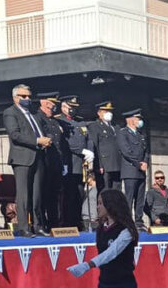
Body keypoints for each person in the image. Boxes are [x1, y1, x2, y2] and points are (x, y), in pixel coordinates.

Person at [2, 84, 50, 237]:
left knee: (37, 194)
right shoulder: (10, 112)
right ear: (15, 97)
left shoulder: (34, 113)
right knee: (23, 194)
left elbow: (44, 129)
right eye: (23, 96)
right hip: (22, 157)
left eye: (29, 96)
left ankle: (38, 225)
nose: (27, 99)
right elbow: (15, 135)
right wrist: (37, 141)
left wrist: (46, 139)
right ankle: (23, 227)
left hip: (39, 156)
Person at [56, 95, 91, 229]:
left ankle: (77, 220)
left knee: (80, 193)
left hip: (81, 163)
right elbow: (66, 142)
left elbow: (88, 139)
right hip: (68, 161)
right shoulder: (59, 121)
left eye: (75, 107)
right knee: (68, 193)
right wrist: (81, 150)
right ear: (63, 107)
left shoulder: (80, 122)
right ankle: (67, 221)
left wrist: (89, 151)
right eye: (70, 107)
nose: (73, 110)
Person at [35, 92, 65, 232]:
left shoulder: (54, 120)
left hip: (56, 161)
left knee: (54, 194)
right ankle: (42, 223)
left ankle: (55, 223)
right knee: (42, 194)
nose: (53, 107)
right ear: (44, 103)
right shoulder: (37, 118)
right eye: (51, 104)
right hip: (44, 161)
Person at [117, 108, 150, 230]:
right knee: (129, 198)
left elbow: (146, 151)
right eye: (138, 118)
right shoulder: (123, 133)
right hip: (130, 170)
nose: (140, 121)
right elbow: (126, 151)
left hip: (141, 171)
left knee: (140, 198)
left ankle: (139, 221)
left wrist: (145, 162)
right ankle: (127, 221)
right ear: (130, 120)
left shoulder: (141, 135)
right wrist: (138, 163)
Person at [86, 101, 121, 191]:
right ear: (99, 113)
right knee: (104, 191)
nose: (109, 113)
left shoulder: (115, 127)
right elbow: (95, 145)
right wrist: (98, 165)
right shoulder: (95, 126)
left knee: (116, 191)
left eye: (110, 111)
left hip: (116, 164)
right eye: (105, 111)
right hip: (104, 165)